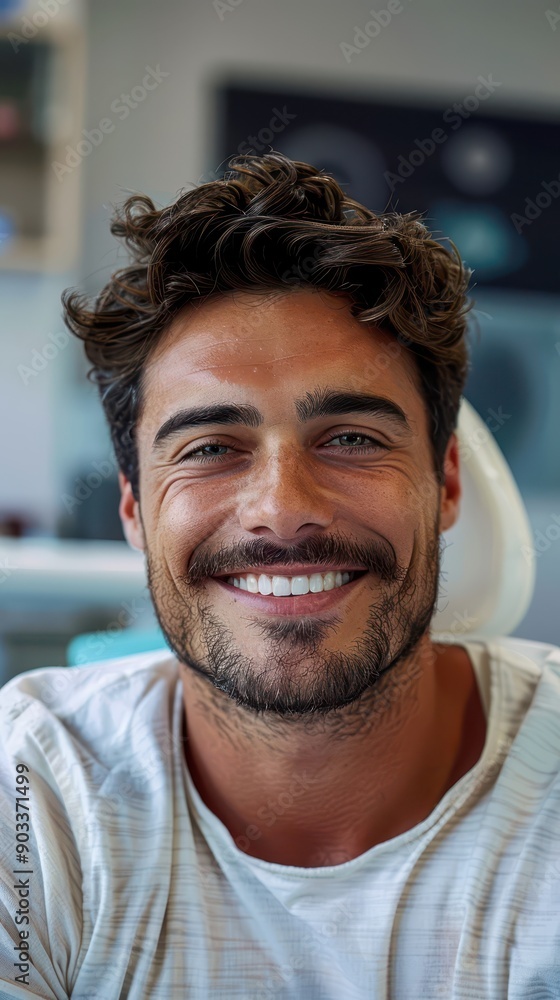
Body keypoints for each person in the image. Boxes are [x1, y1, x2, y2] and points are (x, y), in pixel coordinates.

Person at [0, 152, 558, 999]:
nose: (282, 508)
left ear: (446, 484)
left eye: (351, 438)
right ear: (134, 510)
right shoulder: (33, 781)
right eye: (210, 449)